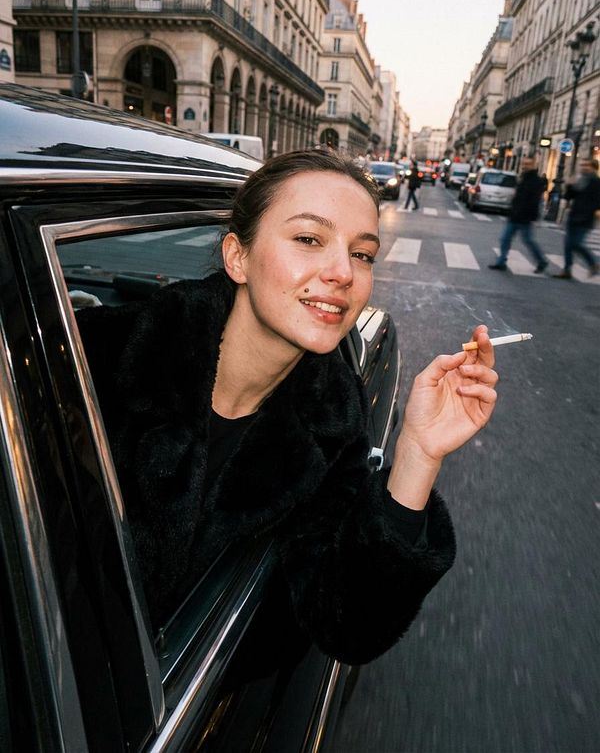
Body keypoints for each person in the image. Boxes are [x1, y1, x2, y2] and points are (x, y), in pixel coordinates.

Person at [76, 150, 498, 665]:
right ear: (238, 257)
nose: (343, 272)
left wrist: (418, 453)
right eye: (308, 240)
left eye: (363, 254)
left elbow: (347, 628)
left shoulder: (331, 427)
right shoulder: (91, 358)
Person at [488, 156, 549, 274]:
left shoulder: (536, 181)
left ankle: (541, 261)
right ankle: (501, 262)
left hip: (525, 217)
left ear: (534, 165)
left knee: (528, 241)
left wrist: (532, 216)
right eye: (524, 163)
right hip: (515, 215)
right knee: (505, 239)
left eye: (528, 164)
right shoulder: (522, 178)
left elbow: (535, 201)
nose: (525, 166)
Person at [553, 158, 600, 279]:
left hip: (585, 219)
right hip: (573, 216)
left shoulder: (596, 182)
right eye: (582, 165)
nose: (583, 167)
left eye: (586, 165)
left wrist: (590, 211)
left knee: (576, 244)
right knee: (568, 245)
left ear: (593, 168)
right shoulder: (580, 180)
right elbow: (568, 196)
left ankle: (593, 263)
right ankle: (567, 270)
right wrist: (569, 186)